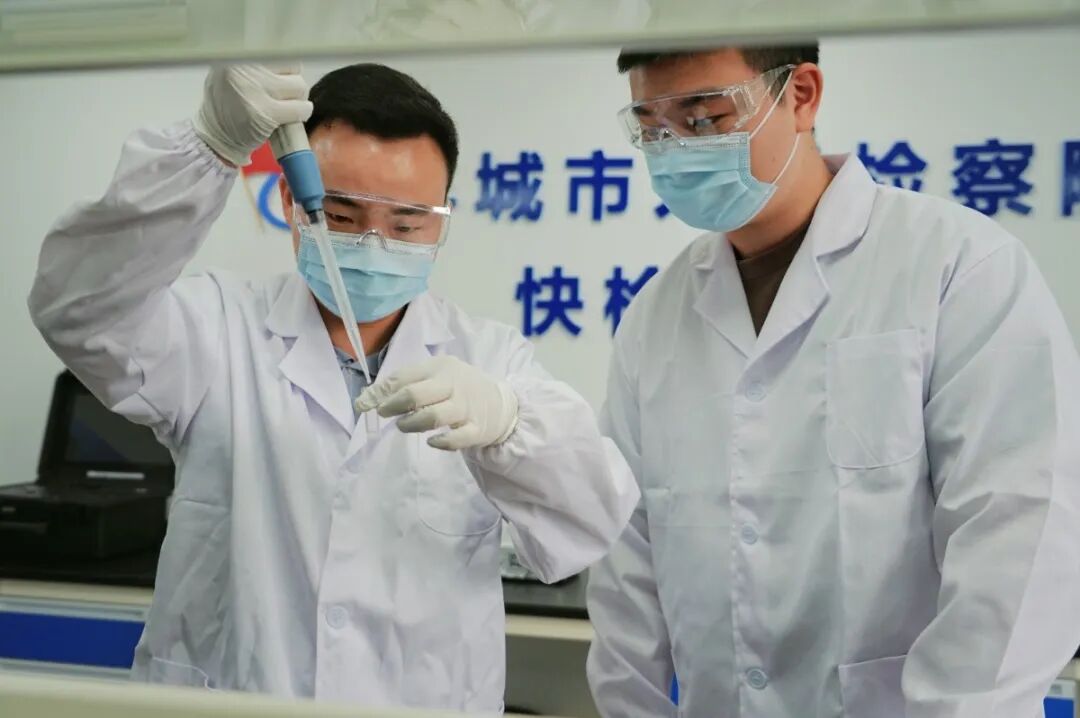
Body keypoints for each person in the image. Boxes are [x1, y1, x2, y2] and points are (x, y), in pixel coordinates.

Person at [28, 63, 638, 711]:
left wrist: (509, 424)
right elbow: (79, 310)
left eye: (406, 225)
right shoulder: (216, 330)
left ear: (442, 221)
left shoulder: (490, 358)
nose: (374, 244)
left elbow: (590, 521)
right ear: (291, 203)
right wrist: (209, 147)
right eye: (341, 216)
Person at [586, 42, 1080, 717]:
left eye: (704, 119)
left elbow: (1019, 537)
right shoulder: (655, 316)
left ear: (801, 95)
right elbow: (627, 561)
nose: (675, 151)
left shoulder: (958, 267)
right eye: (653, 128)